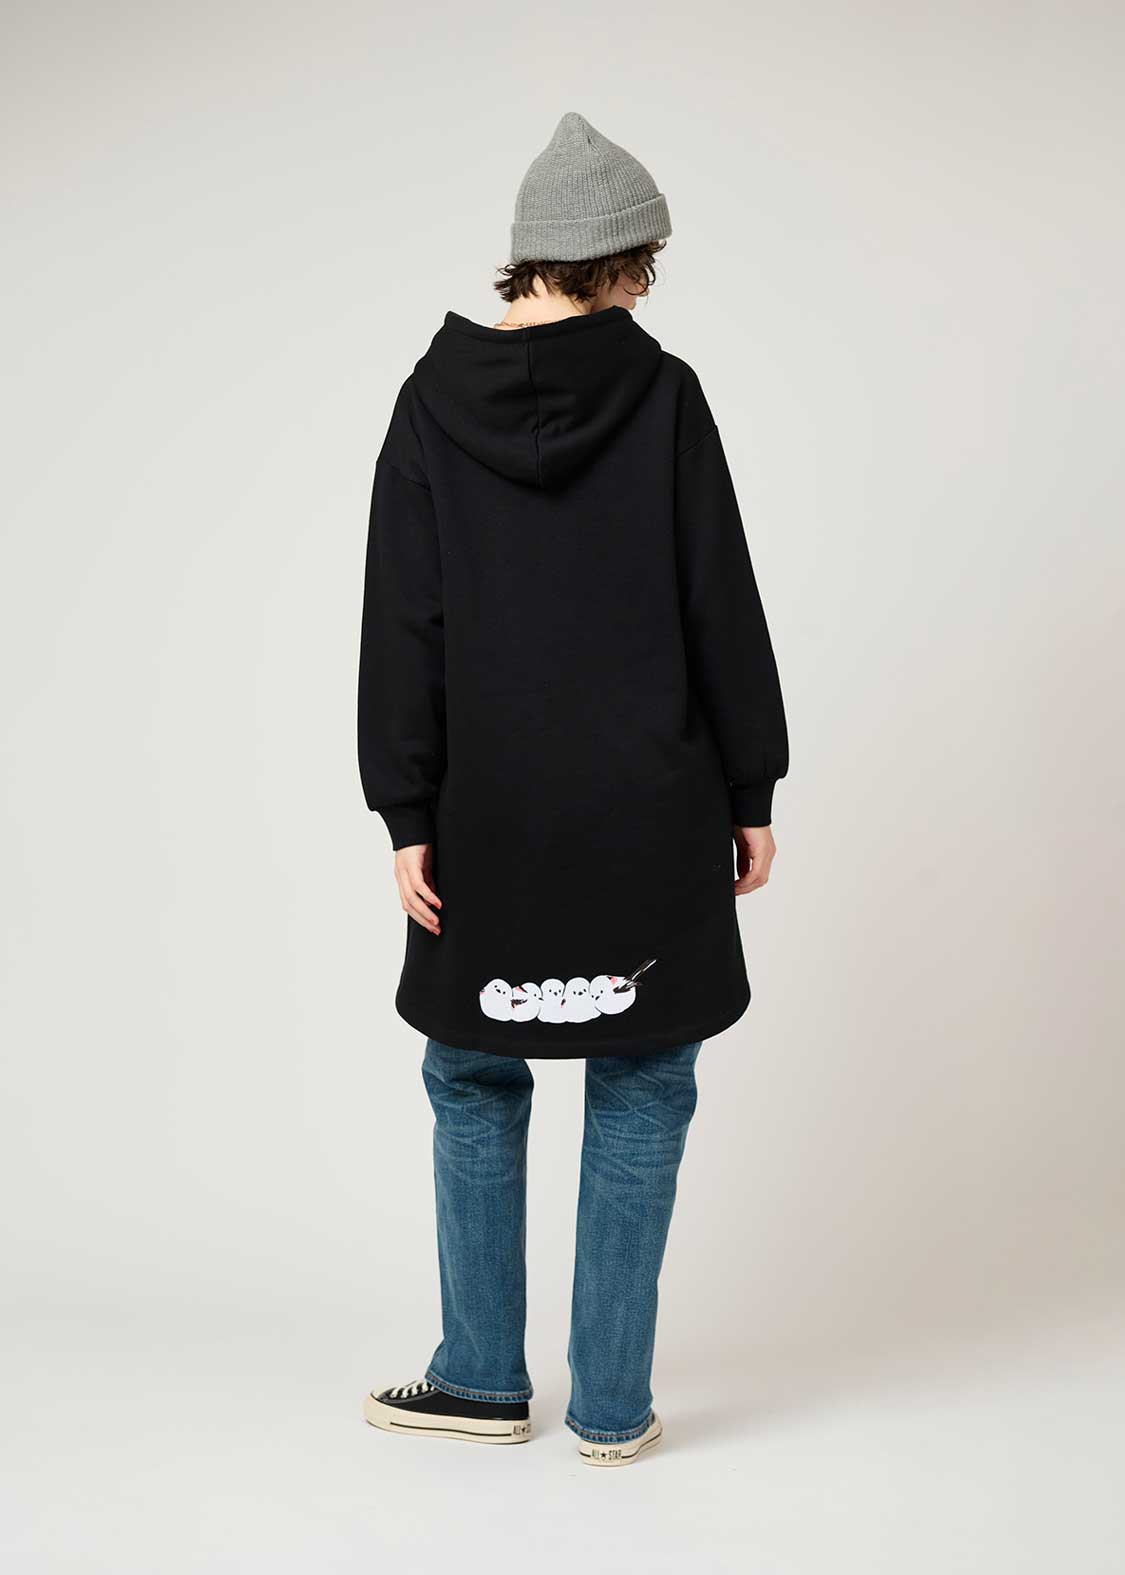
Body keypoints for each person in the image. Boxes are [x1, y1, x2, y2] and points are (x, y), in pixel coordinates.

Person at [357, 111, 787, 1467]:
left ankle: (483, 1379)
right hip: (650, 804)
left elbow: (405, 622)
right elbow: (718, 600)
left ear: (527, 256)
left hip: (486, 812)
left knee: (474, 1075)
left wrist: (406, 811)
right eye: (644, 265)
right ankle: (610, 1407)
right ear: (623, 261)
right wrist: (751, 786)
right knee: (643, 1079)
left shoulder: (430, 402)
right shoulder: (664, 396)